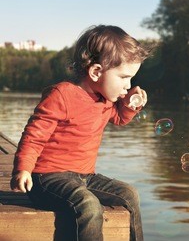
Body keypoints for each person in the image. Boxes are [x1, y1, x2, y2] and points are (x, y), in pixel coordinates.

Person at [10, 25, 154, 241]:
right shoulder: (63, 95)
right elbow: (34, 134)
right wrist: (23, 169)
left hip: (84, 177)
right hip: (46, 179)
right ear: (96, 72)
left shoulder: (106, 100)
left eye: (131, 79)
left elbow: (120, 119)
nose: (128, 85)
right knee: (88, 205)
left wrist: (130, 105)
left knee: (129, 194)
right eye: (124, 77)